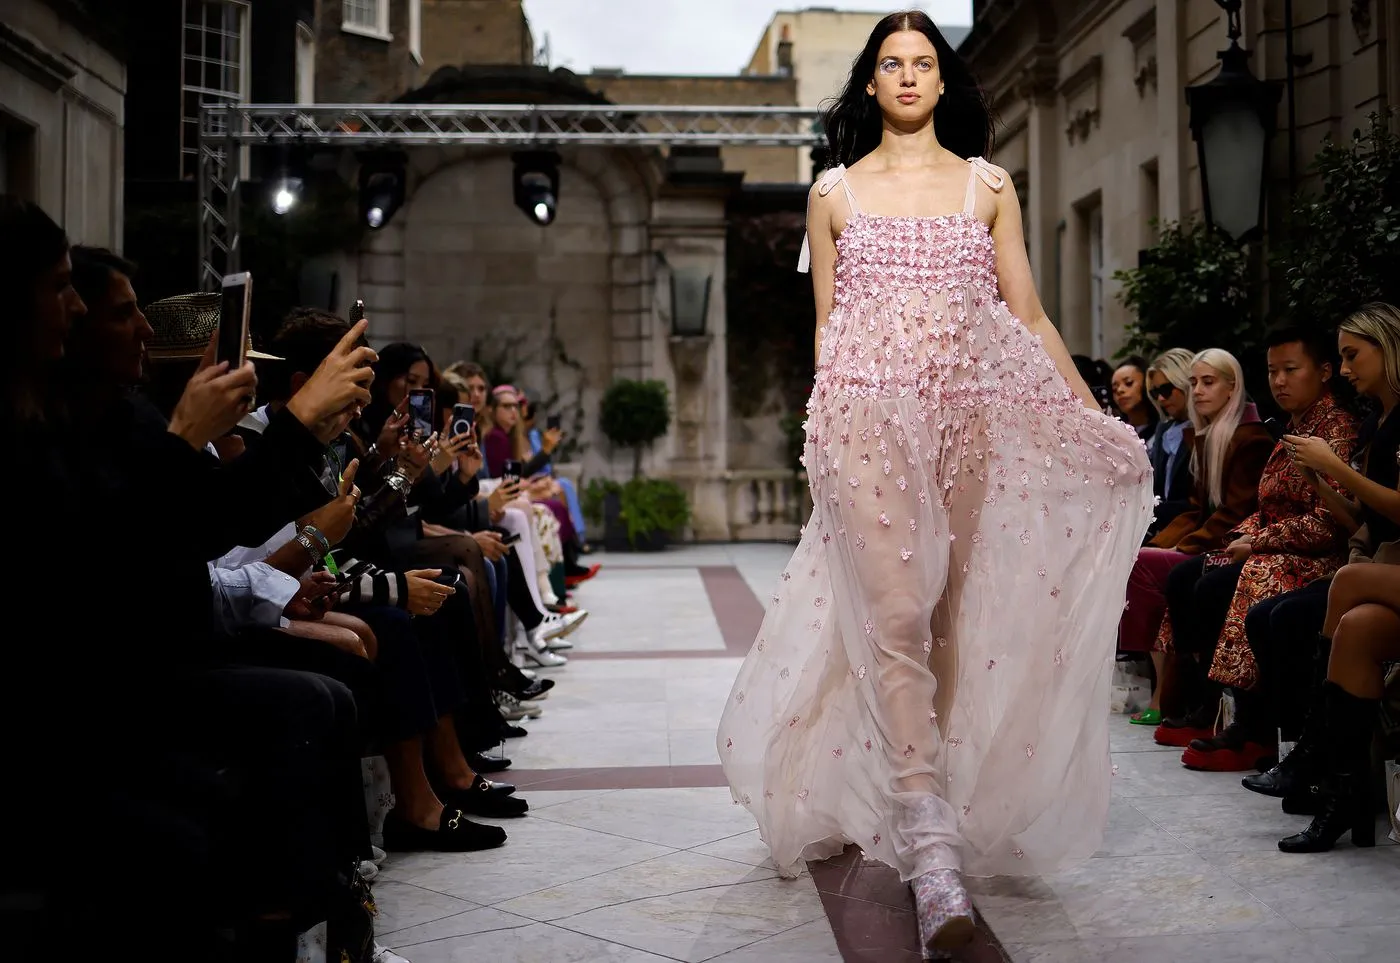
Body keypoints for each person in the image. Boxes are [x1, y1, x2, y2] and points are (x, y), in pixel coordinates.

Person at [715, 13, 1154, 959]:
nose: (908, 76)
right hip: (866, 424)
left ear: (942, 81)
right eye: (890, 64)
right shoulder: (833, 193)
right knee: (899, 617)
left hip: (964, 423)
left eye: (922, 62)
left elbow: (1027, 315)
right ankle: (932, 843)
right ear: (870, 84)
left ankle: (922, 790)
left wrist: (1092, 417)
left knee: (944, 617)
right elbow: (829, 334)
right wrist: (820, 446)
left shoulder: (988, 185)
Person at [1143, 348, 1196, 538]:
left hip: (1190, 531)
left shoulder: (1204, 431)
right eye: (1155, 392)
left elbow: (1197, 502)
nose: (1161, 398)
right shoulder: (1164, 430)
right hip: (1160, 529)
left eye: (1166, 389)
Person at [1113, 355, 1158, 441]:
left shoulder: (1164, 431)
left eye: (1128, 383)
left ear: (1146, 384)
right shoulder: (1114, 434)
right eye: (1114, 388)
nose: (1119, 390)